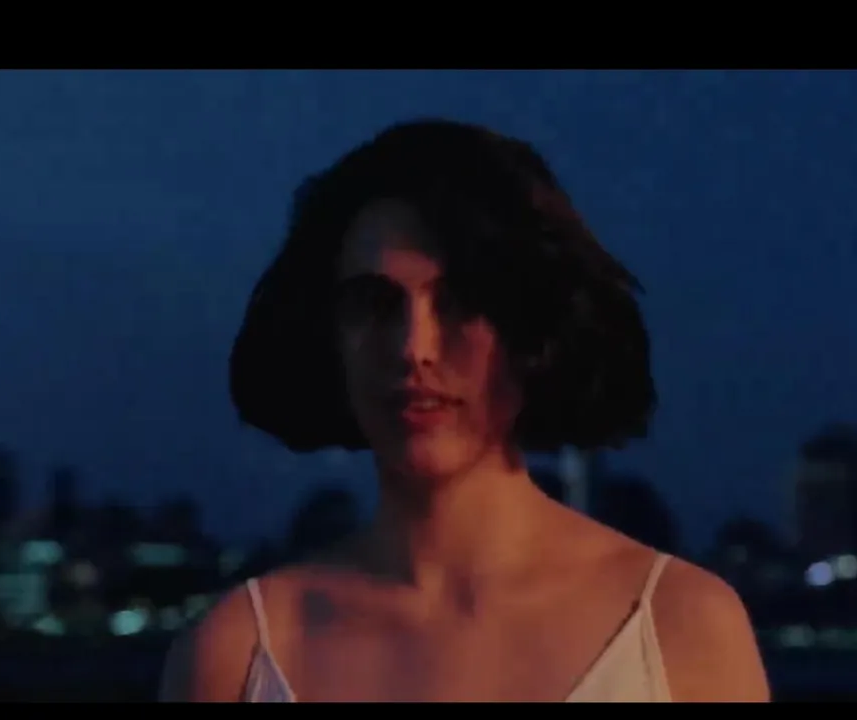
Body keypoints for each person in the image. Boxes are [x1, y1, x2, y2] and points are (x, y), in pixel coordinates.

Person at [160, 119, 769, 702]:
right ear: (327, 334)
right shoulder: (238, 651)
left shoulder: (680, 628)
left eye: (459, 301)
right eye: (374, 303)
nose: (414, 348)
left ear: (539, 328)